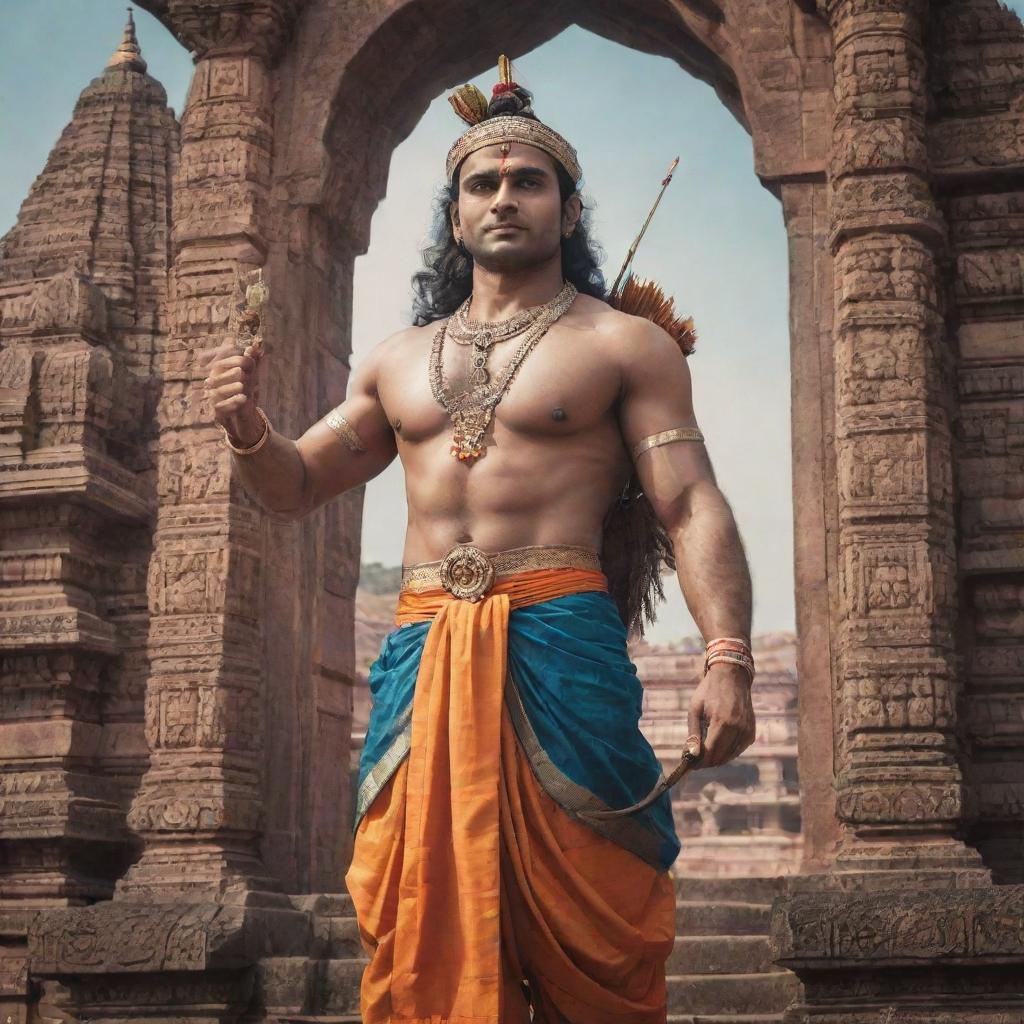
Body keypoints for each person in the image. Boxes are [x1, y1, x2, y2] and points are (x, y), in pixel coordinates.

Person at [202, 55, 756, 1024]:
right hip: (422, 644)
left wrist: (726, 659)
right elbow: (295, 484)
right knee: (411, 893)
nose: (504, 198)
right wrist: (247, 428)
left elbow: (690, 503)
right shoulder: (395, 361)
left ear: (568, 210)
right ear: (455, 214)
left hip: (561, 634)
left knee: (599, 900)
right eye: (482, 183)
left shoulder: (623, 344)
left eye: (527, 181)